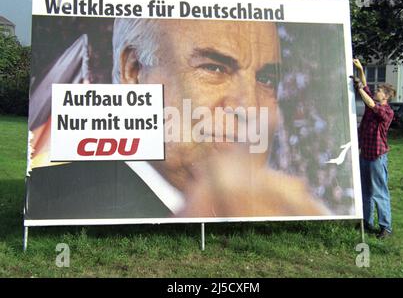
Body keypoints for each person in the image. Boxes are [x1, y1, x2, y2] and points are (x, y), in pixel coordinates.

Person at [27, 19, 329, 219]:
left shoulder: (289, 210)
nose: (250, 108)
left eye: (264, 78)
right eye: (214, 68)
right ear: (134, 70)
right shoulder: (55, 201)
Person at [352, 58, 396, 239]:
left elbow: (369, 101)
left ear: (385, 96)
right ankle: (367, 222)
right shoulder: (374, 107)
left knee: (379, 192)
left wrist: (360, 89)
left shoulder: (386, 111)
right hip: (365, 155)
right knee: (366, 191)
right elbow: (366, 88)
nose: (376, 91)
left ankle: (386, 227)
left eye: (379, 91)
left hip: (377, 157)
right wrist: (361, 70)